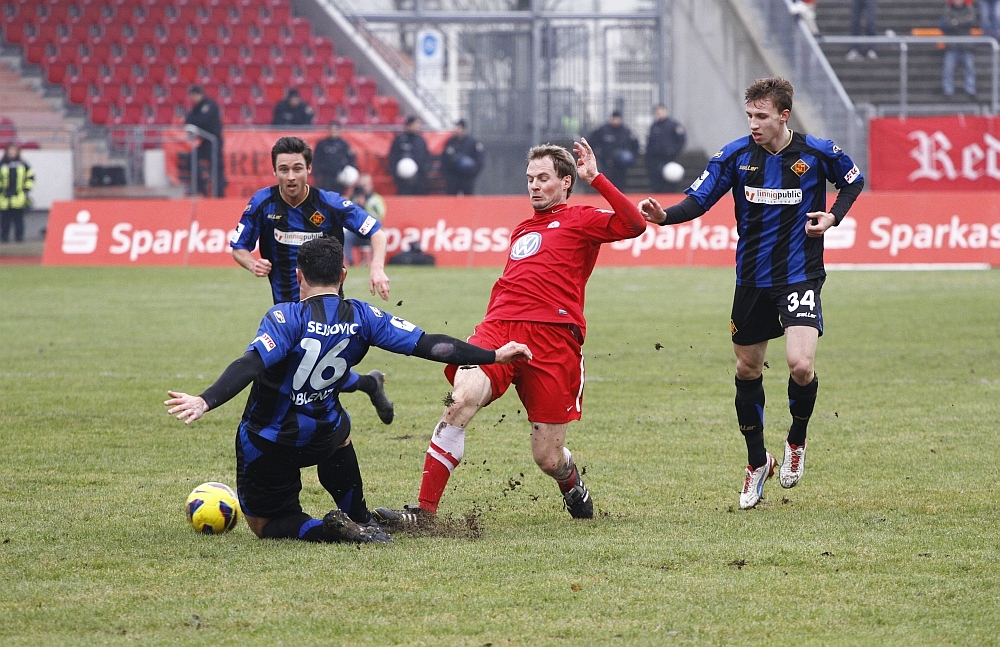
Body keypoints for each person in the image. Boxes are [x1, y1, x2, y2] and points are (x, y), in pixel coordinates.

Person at [165, 236, 532, 544]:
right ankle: (359, 517)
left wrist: (205, 400)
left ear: (298, 275)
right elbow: (430, 345)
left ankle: (328, 530)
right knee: (339, 429)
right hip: (325, 436)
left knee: (266, 525)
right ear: (342, 275)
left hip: (269, 443)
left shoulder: (285, 317)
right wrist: (493, 355)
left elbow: (250, 364)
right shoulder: (363, 316)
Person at [373, 138, 646, 529]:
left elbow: (635, 224)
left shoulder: (581, 218)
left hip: (553, 339)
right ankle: (425, 513)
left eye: (543, 178)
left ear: (566, 182)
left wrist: (597, 179)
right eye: (530, 178)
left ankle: (571, 483)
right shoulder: (522, 228)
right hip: (500, 329)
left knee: (547, 458)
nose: (534, 185)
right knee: (460, 399)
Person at [638, 77, 864, 510]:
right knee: (747, 368)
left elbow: (853, 181)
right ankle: (758, 461)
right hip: (752, 279)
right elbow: (700, 200)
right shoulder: (735, 156)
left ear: (784, 115)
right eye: (749, 116)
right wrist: (664, 216)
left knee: (801, 365)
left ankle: (796, 439)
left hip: (800, 274)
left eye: (762, 116)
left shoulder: (818, 152)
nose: (754, 124)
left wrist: (832, 217)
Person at [184, 85, 225, 197]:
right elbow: (188, 119)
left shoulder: (209, 105)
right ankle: (201, 188)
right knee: (191, 159)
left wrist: (194, 122)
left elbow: (203, 120)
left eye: (194, 95)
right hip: (205, 142)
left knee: (217, 167)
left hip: (214, 141)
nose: (193, 98)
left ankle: (219, 195)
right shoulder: (196, 107)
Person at [587, 110, 639, 190]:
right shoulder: (603, 130)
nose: (616, 121)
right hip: (607, 161)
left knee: (620, 183)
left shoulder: (625, 131)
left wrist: (633, 157)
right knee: (607, 182)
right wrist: (597, 152)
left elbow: (635, 144)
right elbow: (592, 140)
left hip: (620, 164)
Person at [645, 104, 687, 193]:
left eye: (661, 111)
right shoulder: (654, 126)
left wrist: (674, 150)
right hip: (656, 157)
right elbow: (650, 141)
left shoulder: (673, 125)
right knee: (656, 178)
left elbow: (681, 140)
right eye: (657, 112)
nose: (659, 114)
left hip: (669, 157)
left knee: (671, 176)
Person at [345, 174, 385, 267]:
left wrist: (365, 206)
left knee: (375, 236)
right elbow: (346, 214)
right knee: (346, 237)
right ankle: (350, 262)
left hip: (371, 230)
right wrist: (354, 201)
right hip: (356, 231)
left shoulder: (376, 199)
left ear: (371, 185)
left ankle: (373, 262)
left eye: (365, 185)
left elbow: (380, 216)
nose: (363, 187)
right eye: (361, 185)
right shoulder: (353, 198)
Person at [941, 0, 979, 98]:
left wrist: (956, 21)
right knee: (948, 69)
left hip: (966, 44)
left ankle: (970, 89)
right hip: (952, 45)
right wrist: (964, 20)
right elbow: (948, 24)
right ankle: (948, 90)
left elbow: (972, 21)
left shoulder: (969, 9)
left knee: (969, 68)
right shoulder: (948, 10)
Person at [388, 116, 430, 195]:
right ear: (409, 125)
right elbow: (393, 156)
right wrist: (395, 172)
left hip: (419, 178)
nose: (418, 127)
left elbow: (426, 156)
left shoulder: (420, 140)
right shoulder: (399, 139)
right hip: (402, 178)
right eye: (416, 124)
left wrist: (424, 171)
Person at [0, 143, 34, 243]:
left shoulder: (23, 164)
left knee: (18, 219)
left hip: (19, 196)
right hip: (4, 197)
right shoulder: (2, 164)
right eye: (10, 150)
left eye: (14, 150)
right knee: (5, 219)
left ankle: (19, 237)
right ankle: (4, 237)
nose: (12, 152)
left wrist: (26, 189)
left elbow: (30, 177)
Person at [441, 119, 484, 195]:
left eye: (459, 128)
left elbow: (479, 160)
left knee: (468, 199)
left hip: (467, 178)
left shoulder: (473, 142)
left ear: (464, 129)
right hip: (453, 177)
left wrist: (472, 174)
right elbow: (445, 159)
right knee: (451, 199)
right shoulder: (451, 142)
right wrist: (447, 175)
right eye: (456, 127)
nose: (456, 130)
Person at [313, 123, 357, 194]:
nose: (333, 132)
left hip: (340, 176)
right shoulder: (322, 144)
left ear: (340, 131)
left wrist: (348, 171)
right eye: (332, 129)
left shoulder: (344, 144)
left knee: (338, 195)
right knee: (326, 195)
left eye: (336, 130)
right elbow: (316, 160)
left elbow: (351, 158)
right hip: (326, 176)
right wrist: (317, 175)